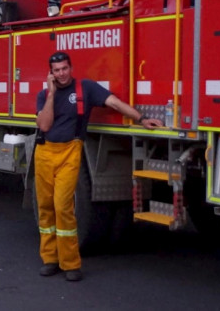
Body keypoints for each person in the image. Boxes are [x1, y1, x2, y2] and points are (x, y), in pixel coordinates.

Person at [35, 51, 162, 282]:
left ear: (71, 68)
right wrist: (52, 95)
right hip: (44, 153)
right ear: (50, 74)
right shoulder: (44, 96)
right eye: (56, 70)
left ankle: (70, 264)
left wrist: (142, 118)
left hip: (70, 152)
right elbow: (44, 125)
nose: (61, 73)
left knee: (63, 206)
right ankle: (50, 259)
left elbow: (115, 102)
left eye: (65, 68)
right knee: (45, 208)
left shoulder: (86, 88)